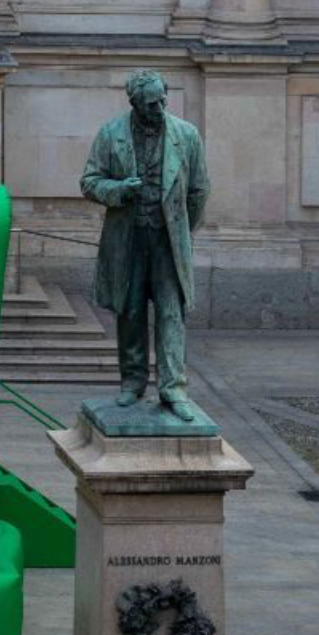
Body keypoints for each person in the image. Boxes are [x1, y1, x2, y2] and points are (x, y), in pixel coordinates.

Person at [80, 70, 209, 422]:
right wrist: (120, 190)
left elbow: (198, 191)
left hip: (168, 241)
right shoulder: (111, 134)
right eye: (151, 102)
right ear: (134, 103)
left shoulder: (187, 135)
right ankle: (132, 382)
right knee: (131, 312)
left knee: (171, 313)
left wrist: (181, 229)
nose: (159, 106)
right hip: (128, 239)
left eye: (163, 99)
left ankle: (173, 388)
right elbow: (89, 182)